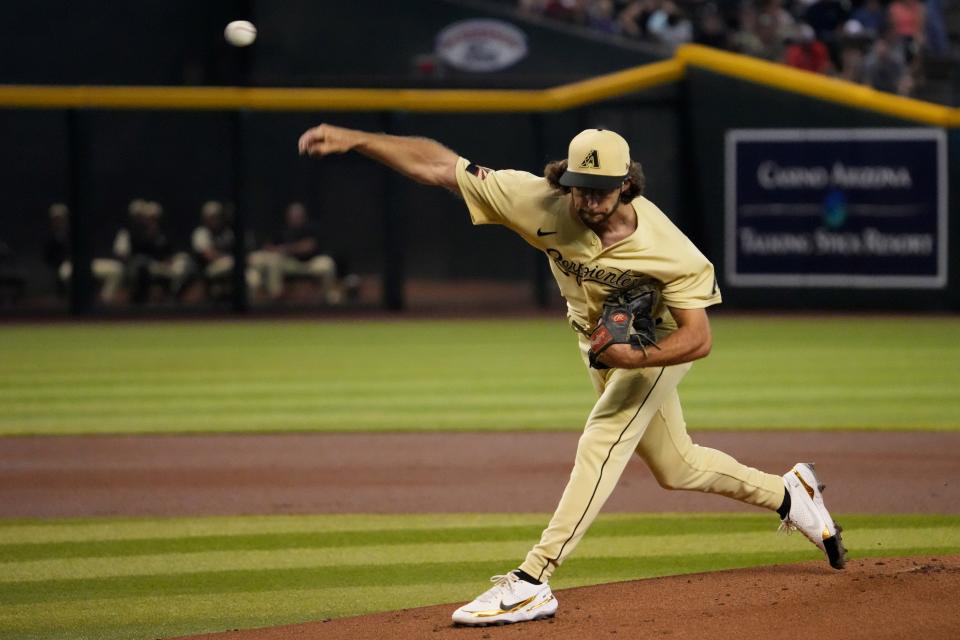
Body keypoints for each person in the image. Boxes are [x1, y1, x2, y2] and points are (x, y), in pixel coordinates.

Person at [297, 124, 847, 627]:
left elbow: (698, 338)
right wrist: (356, 140)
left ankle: (533, 580)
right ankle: (788, 493)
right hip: (600, 347)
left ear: (626, 186)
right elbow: (441, 166)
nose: (586, 200)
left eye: (599, 190)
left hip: (652, 347)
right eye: (579, 186)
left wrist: (634, 359)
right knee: (677, 467)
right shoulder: (541, 199)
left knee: (601, 441)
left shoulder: (673, 252)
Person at [248, 202, 340, 303]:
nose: (295, 218)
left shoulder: (310, 228)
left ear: (304, 216)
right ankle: (275, 297)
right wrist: (282, 249)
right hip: (290, 263)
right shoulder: (283, 231)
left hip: (310, 263)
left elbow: (309, 246)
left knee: (327, 264)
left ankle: (325, 297)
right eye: (292, 215)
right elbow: (269, 247)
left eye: (298, 215)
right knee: (273, 262)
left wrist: (287, 249)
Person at [43, 203, 124, 303]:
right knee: (64, 274)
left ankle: (105, 300)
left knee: (117, 269)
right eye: (56, 219)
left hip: (90, 262)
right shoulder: (50, 237)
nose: (59, 221)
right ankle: (74, 300)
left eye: (61, 218)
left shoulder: (78, 231)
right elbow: (50, 256)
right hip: (69, 264)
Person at [190, 200, 260, 300]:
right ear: (205, 218)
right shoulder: (201, 233)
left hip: (229, 265)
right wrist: (231, 257)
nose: (215, 220)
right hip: (209, 269)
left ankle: (252, 307)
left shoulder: (227, 233)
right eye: (212, 217)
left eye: (217, 217)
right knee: (234, 263)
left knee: (253, 277)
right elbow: (208, 256)